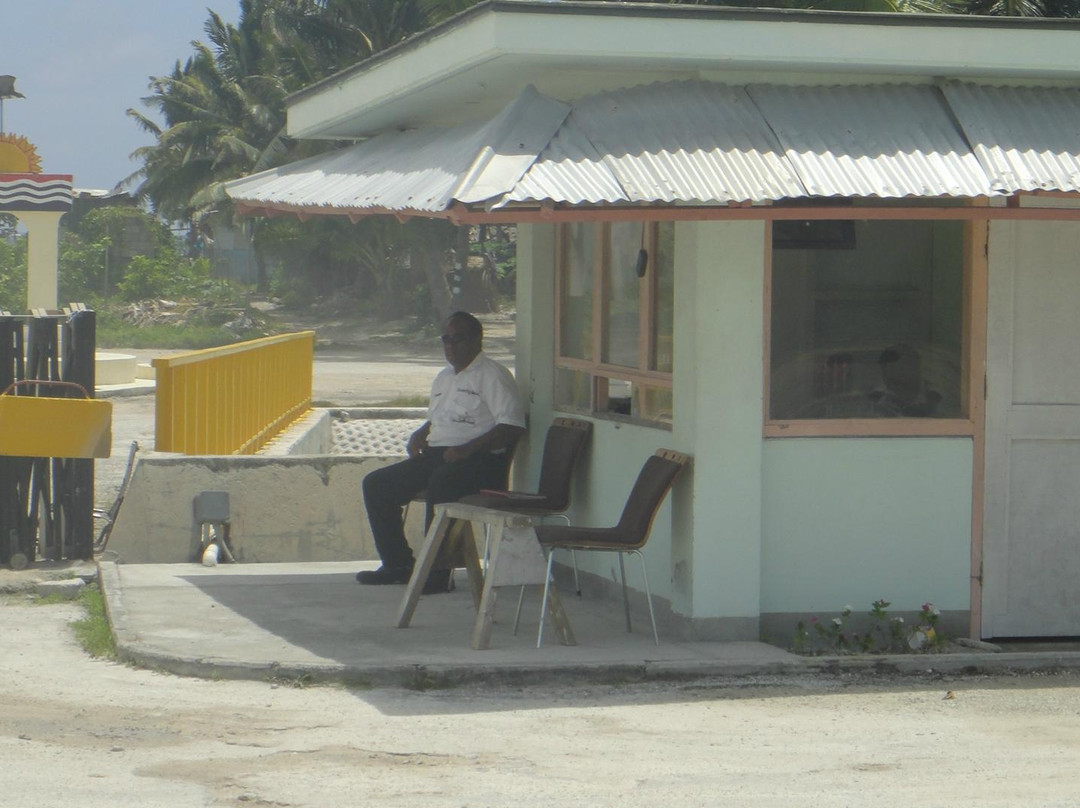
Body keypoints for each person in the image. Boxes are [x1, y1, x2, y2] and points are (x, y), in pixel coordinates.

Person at [357, 311, 526, 594]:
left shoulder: (492, 375)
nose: (450, 346)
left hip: (480, 461)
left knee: (442, 483)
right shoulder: (444, 378)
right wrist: (422, 432)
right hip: (439, 455)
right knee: (377, 484)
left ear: (476, 340)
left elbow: (512, 426)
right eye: (445, 339)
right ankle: (397, 565)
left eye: (457, 339)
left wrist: (467, 448)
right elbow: (440, 417)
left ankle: (436, 572)